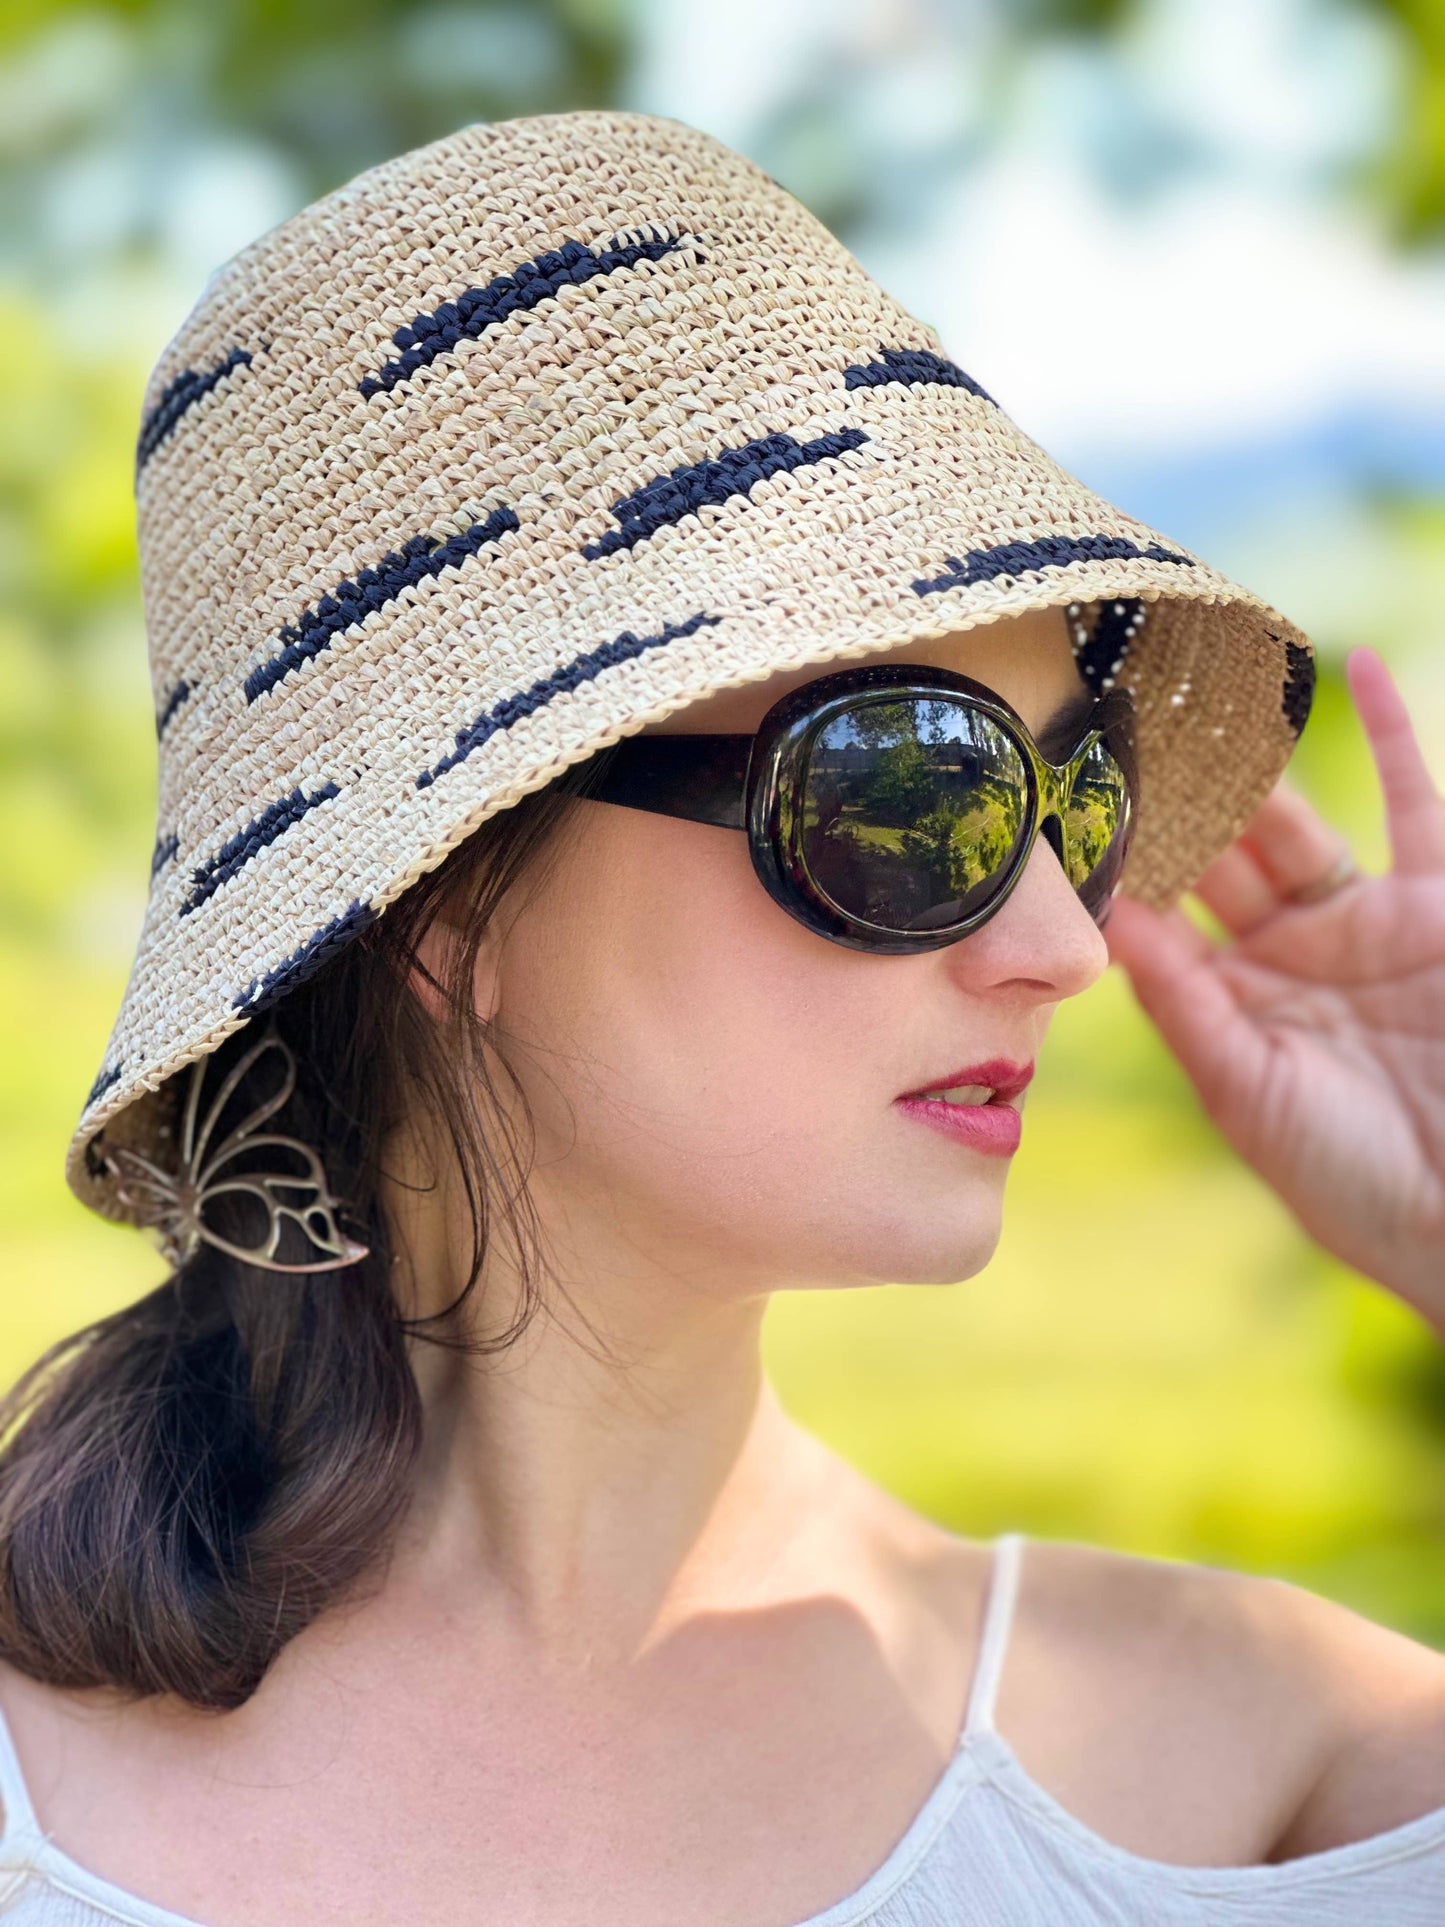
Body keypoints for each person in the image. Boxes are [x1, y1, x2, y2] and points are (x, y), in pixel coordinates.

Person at [0, 110, 1441, 1925]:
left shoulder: (1267, 1777)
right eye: (907, 795)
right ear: (445, 898)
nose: (1067, 946)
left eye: (1073, 802)